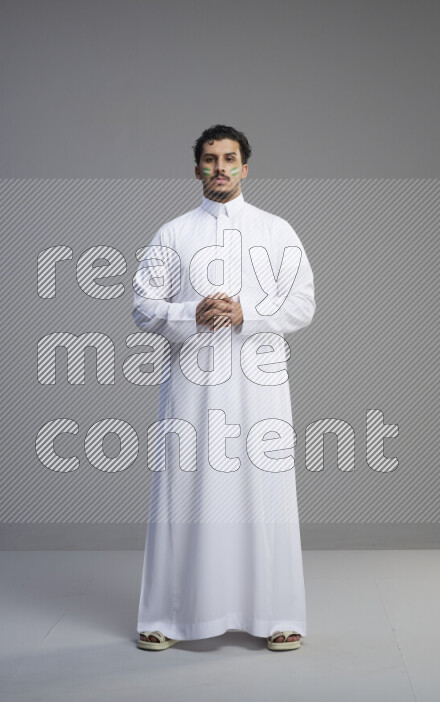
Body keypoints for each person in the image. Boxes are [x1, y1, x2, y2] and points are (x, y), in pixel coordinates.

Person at [133, 124, 316, 652]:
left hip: (259, 386)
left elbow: (302, 305)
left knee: (266, 492)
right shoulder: (172, 234)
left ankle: (279, 615)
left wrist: (246, 314)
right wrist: (192, 311)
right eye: (210, 160)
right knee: (182, 493)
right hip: (191, 386)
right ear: (196, 170)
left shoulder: (277, 231)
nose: (220, 168)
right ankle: (166, 617)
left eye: (229, 159)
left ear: (245, 167)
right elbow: (143, 307)